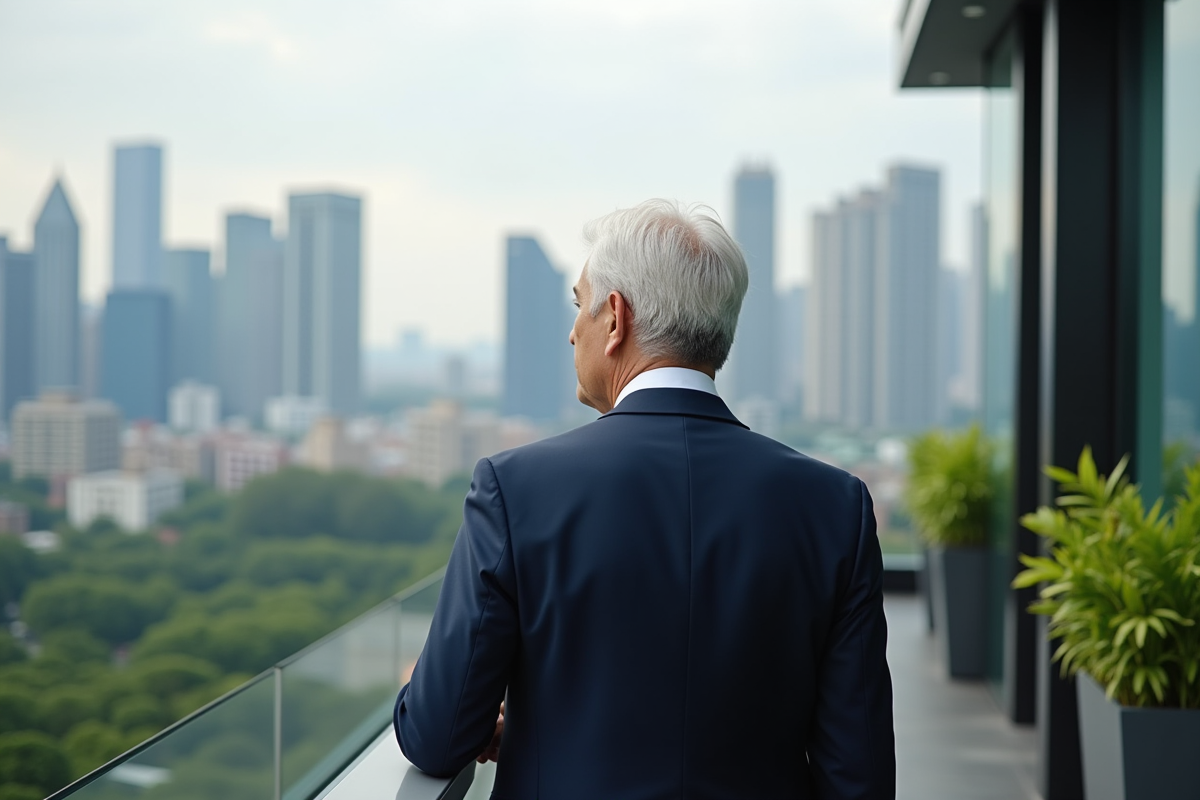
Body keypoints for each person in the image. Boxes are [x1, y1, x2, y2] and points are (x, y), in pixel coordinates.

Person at [394, 199, 895, 799]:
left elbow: (436, 735)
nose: (571, 329)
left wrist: (433, 692)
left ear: (616, 317)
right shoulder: (834, 506)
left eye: (579, 304)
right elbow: (860, 778)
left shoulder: (515, 489)